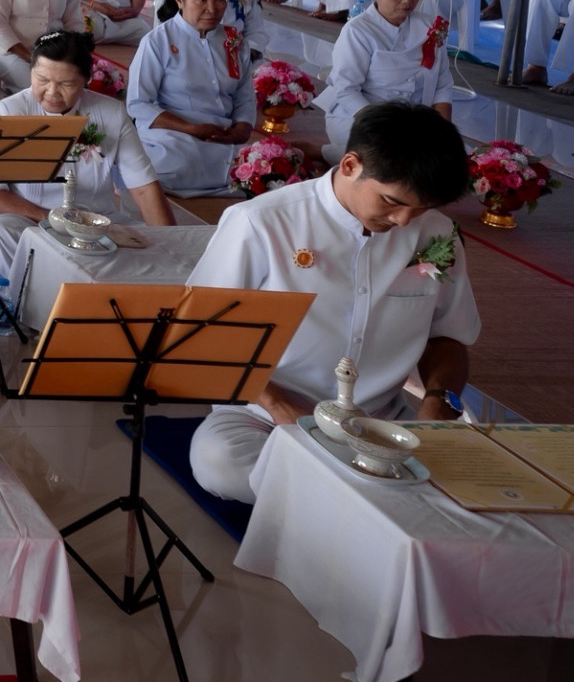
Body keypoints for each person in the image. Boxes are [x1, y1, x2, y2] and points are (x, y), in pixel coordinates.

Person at [186, 104, 477, 503]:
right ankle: (368, 500)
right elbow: (202, 332)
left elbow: (447, 336)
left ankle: (336, 497)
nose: (404, 221)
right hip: (267, 412)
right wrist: (277, 403)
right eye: (391, 201)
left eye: (422, 209)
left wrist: (438, 403)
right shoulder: (261, 222)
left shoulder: (437, 235)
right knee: (220, 461)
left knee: (467, 477)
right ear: (350, 165)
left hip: (382, 420)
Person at [0, 32, 174, 278]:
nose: (52, 92)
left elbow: (144, 188)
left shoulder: (111, 113)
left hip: (97, 224)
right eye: (42, 79)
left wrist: (172, 244)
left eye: (66, 84)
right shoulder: (10, 110)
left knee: (147, 248)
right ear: (31, 72)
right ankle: (26, 294)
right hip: (31, 220)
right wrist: (53, 220)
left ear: (86, 79)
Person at [126, 0, 256, 195]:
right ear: (179, 0)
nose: (212, 9)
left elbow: (245, 97)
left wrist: (243, 129)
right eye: (202, 0)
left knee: (263, 168)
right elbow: (138, 104)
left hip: (223, 134)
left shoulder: (234, 42)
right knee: (172, 166)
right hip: (173, 134)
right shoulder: (157, 41)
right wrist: (192, 128)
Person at [316, 0, 451, 161]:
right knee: (391, 161)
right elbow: (347, 90)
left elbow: (442, 85)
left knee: (454, 161)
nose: (407, 1)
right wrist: (387, 129)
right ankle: (322, 152)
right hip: (362, 118)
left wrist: (444, 134)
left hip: (415, 120)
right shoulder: (358, 31)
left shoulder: (430, 27)